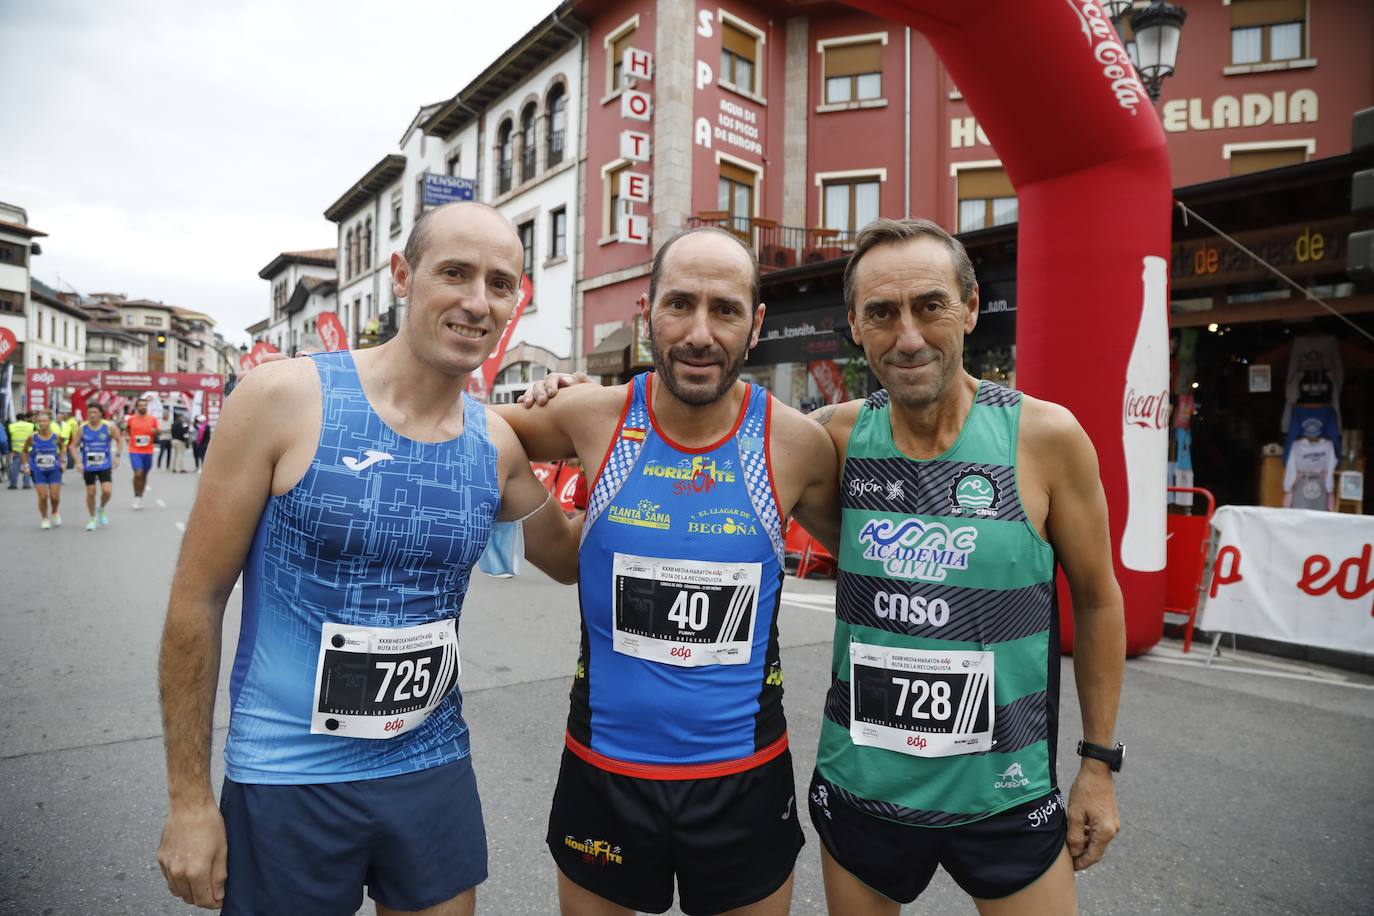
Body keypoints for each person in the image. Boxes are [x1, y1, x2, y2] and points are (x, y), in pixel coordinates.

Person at [155, 201, 582, 916]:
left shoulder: (495, 444)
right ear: (401, 275)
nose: (478, 302)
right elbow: (195, 601)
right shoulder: (283, 399)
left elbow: (569, 560)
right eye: (455, 273)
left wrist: (602, 425)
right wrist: (190, 802)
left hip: (430, 766)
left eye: (500, 284)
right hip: (287, 774)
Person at [498, 226, 841, 916]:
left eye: (725, 310)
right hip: (604, 774)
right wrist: (543, 401)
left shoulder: (796, 444)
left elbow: (871, 558)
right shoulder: (593, 415)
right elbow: (469, 433)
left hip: (743, 780)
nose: (699, 333)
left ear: (756, 324)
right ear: (646, 313)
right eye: (679, 305)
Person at [799, 219, 1125, 916]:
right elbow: (716, 426)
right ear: (855, 325)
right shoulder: (835, 436)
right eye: (882, 313)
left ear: (971, 309)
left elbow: (1098, 601)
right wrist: (551, 396)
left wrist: (1098, 765)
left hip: (1005, 792)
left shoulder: (1044, 436)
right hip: (863, 786)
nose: (908, 336)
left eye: (930, 305)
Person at [70, 402, 122, 530]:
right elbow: (72, 446)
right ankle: (92, 518)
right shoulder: (83, 428)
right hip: (88, 466)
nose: (92, 415)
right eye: (89, 413)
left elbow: (119, 439)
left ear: (100, 414)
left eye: (95, 412)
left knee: (107, 491)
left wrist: (117, 457)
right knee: (91, 492)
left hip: (104, 464)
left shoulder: (108, 427)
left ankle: (101, 508)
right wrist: (77, 462)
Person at [22, 409, 64, 528]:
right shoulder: (32, 437)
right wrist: (26, 466)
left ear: (50, 422)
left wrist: (62, 462)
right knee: (43, 496)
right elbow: (24, 451)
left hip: (53, 470)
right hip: (38, 470)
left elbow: (62, 448)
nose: (42, 423)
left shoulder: (56, 436)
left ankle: (55, 511)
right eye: (39, 421)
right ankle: (45, 518)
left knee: (54, 497)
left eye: (44, 421)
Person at [125, 398, 159, 509]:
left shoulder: (152, 419)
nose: (142, 407)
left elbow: (158, 431)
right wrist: (126, 437)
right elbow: (127, 431)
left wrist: (156, 431)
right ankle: (136, 495)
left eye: (144, 405)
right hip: (135, 451)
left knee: (144, 475)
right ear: (137, 407)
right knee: (138, 473)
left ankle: (140, 495)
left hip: (148, 451)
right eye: (140, 405)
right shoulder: (131, 419)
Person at [8, 412, 34, 490]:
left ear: (16, 419)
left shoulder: (11, 426)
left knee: (14, 467)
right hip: (27, 450)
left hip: (16, 450)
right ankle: (26, 485)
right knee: (27, 466)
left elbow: (9, 439)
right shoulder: (30, 425)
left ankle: (13, 485)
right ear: (25, 418)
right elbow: (33, 437)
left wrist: (10, 450)